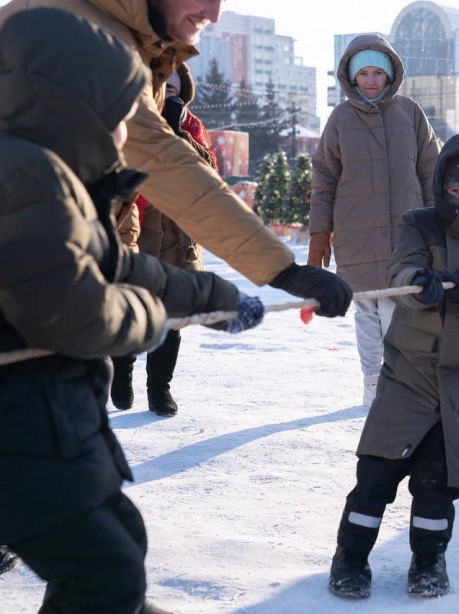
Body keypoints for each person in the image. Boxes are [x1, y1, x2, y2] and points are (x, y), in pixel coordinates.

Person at [0, 9, 265, 613]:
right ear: (74, 106)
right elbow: (75, 313)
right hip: (18, 429)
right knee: (105, 572)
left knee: (123, 542)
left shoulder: (62, 178)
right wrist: (152, 319)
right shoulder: (23, 176)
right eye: (122, 116)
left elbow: (122, 266)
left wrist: (213, 300)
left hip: (54, 419)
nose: (127, 132)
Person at [0, 0, 353, 320]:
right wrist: (281, 270)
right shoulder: (81, 37)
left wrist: (207, 298)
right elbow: (162, 161)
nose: (213, 14)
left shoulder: (119, 36)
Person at [328, 134, 459, 599]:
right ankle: (350, 556)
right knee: (375, 476)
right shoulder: (418, 224)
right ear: (442, 186)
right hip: (412, 374)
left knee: (437, 483)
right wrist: (418, 283)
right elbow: (400, 270)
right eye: (458, 191)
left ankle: (429, 560)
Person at [309, 34, 441, 406]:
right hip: (355, 234)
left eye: (377, 73)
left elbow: (431, 170)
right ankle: (372, 380)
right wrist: (320, 235)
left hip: (407, 232)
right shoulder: (340, 119)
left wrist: (438, 226)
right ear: (351, 76)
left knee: (400, 310)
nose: (370, 80)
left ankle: (399, 380)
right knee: (368, 310)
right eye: (363, 73)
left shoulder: (410, 112)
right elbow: (324, 179)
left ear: (390, 74)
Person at [111, 64, 219, 416]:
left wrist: (178, 133)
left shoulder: (191, 125)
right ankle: (121, 373)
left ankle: (159, 389)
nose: (168, 87)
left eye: (175, 82)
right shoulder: (123, 119)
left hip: (176, 233)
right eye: (161, 79)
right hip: (135, 229)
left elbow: (208, 175)